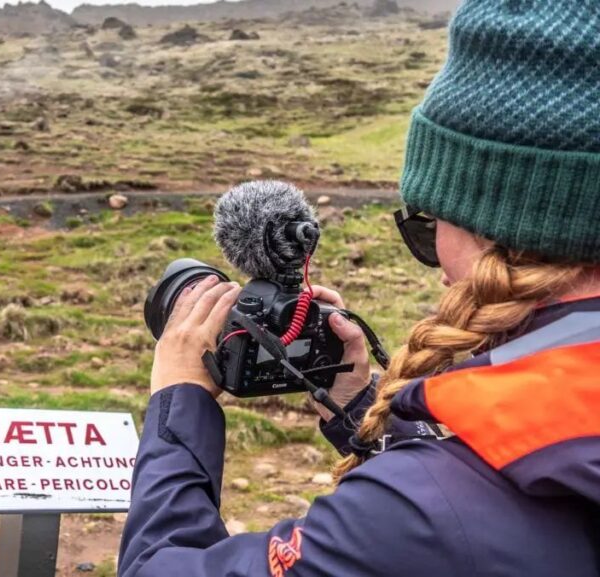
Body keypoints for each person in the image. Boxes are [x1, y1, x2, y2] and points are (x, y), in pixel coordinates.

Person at [118, 1, 600, 575]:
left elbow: (157, 567)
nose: (437, 266)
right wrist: (357, 408)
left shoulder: (415, 515)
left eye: (426, 225)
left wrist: (180, 399)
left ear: (492, 227)